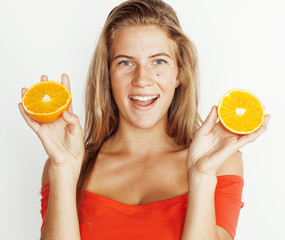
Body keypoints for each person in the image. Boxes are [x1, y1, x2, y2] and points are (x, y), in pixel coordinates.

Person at [18, 0, 270, 239]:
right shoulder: (67, 163)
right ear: (107, 75)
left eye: (159, 61)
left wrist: (202, 175)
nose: (142, 79)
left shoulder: (219, 162)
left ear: (179, 73)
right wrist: (62, 169)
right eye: (125, 62)